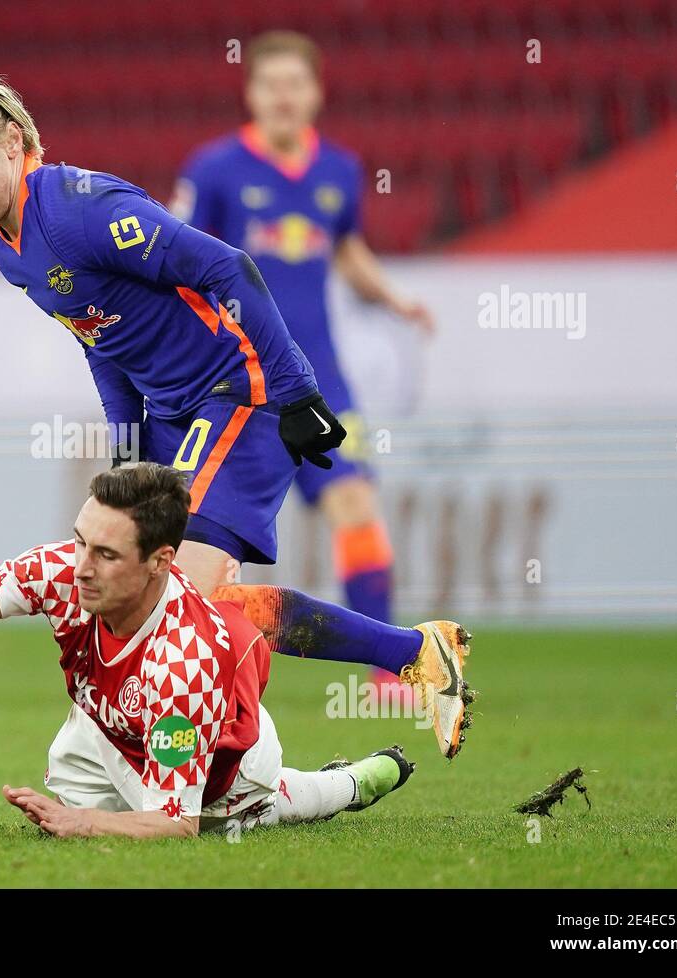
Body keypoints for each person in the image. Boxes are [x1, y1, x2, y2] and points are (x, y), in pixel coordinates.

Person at [0, 69, 473, 758]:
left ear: (12, 141)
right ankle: (415, 654)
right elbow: (100, 340)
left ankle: (220, 757)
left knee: (169, 599)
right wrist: (127, 450)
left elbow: (230, 268)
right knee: (171, 599)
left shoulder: (81, 209)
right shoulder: (7, 244)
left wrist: (295, 390)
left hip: (240, 389)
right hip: (179, 413)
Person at [0, 463, 414, 838]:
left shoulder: (184, 658)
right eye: (80, 542)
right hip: (106, 723)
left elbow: (172, 823)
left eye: (105, 555)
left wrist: (87, 822)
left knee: (232, 819)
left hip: (221, 752)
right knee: (77, 811)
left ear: (161, 562)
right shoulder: (62, 572)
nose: (80, 567)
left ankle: (348, 785)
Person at [172, 31, 436, 696]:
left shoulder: (340, 171)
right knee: (214, 540)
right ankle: (198, 667)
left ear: (316, 92)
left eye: (296, 84)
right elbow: (174, 258)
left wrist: (398, 300)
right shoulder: (213, 170)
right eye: (271, 85)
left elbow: (348, 252)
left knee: (355, 503)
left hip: (319, 377)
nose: (284, 96)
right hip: (236, 381)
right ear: (251, 93)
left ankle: (389, 669)